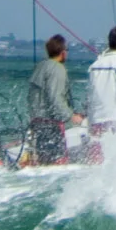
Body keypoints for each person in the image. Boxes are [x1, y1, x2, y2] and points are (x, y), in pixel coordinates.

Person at [25, 34, 80, 163]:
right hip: (51, 124)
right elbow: (55, 98)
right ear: (63, 52)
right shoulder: (57, 69)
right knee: (57, 161)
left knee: (43, 160)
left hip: (37, 121)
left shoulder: (41, 66)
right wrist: (71, 116)